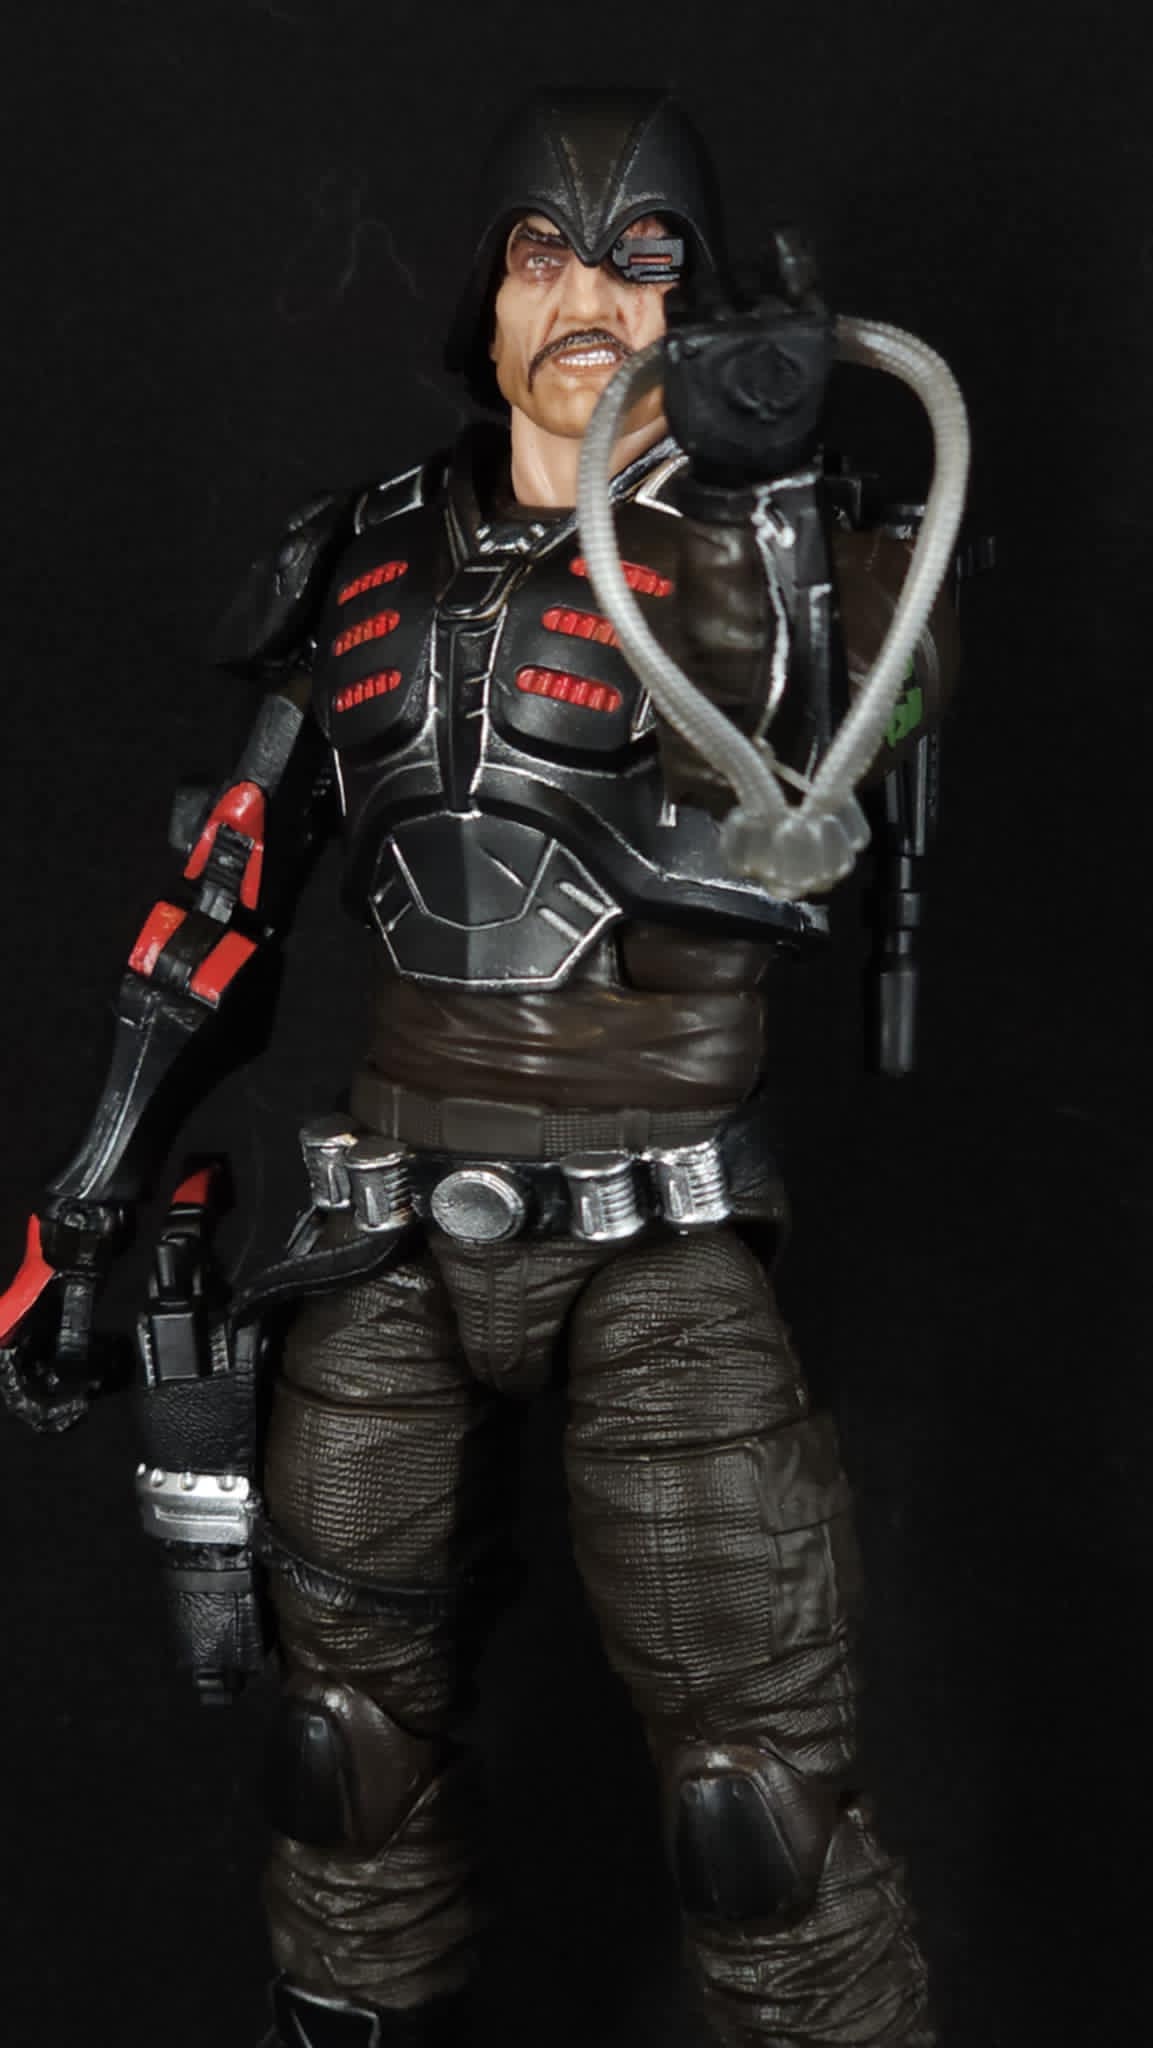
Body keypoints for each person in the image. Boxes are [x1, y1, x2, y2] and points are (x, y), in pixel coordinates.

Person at [0, 87, 955, 2048]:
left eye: (641, 259)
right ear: (486, 294)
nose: (588, 297)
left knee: (752, 1808)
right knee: (337, 1755)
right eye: (543, 254)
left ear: (697, 300)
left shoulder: (791, 552)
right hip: (386, 1241)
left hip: (657, 1240)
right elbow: (219, 901)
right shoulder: (357, 555)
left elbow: (819, 761)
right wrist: (87, 1203)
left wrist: (765, 504)